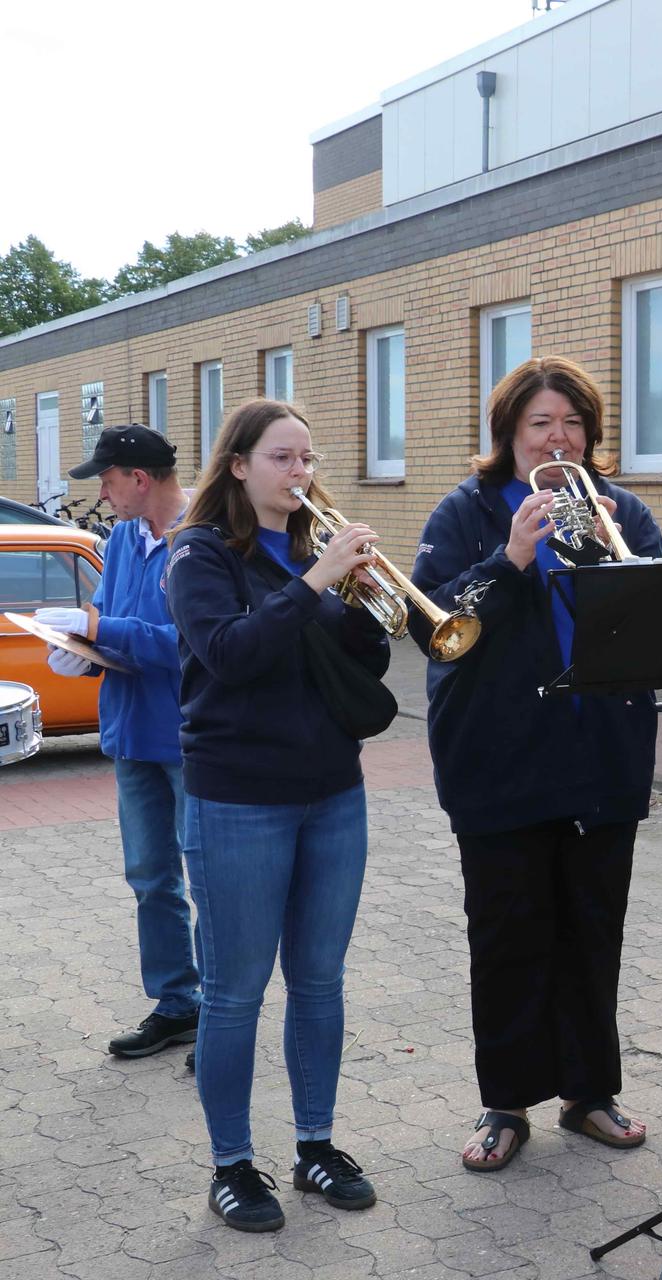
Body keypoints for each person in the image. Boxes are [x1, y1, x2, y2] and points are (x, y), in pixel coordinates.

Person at [410, 357, 662, 1172]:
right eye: (539, 425)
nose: (557, 438)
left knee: (594, 934)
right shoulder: (468, 510)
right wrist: (510, 560)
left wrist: (605, 560)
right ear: (508, 435)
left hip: (600, 762)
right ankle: (506, 1104)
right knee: (508, 938)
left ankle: (590, 1094)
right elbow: (431, 624)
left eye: (571, 424)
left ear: (590, 434)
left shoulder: (620, 508)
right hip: (500, 763)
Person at [168, 399, 390, 1231]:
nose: (301, 473)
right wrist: (317, 584)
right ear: (238, 465)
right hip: (238, 800)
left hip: (333, 790)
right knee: (233, 993)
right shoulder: (199, 555)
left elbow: (359, 662)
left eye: (307, 457)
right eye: (282, 458)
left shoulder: (309, 548)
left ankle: (315, 1146)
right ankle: (231, 1164)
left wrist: (365, 607)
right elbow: (228, 657)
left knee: (321, 980)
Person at [36, 425, 200, 1067]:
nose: (101, 493)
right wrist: (83, 653)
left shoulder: (201, 538)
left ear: (139, 478)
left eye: (106, 480)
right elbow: (108, 618)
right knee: (150, 879)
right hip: (132, 735)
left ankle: (219, 1010)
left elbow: (192, 643)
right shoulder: (124, 539)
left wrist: (103, 628)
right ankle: (175, 1005)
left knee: (207, 882)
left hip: (189, 738)